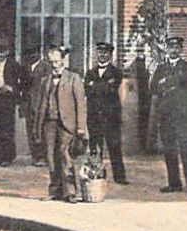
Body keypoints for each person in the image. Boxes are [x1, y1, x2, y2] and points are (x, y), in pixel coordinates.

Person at [34, 45, 90, 202]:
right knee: (51, 157)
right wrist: (37, 127)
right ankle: (54, 190)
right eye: (51, 62)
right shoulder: (46, 80)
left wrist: (81, 127)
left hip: (67, 124)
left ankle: (70, 192)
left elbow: (81, 104)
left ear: (64, 61)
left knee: (65, 156)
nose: (54, 65)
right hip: (49, 124)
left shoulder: (74, 78)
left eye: (56, 61)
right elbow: (41, 106)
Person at [151, 36, 187, 193]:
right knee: (169, 150)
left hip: (182, 115)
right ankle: (174, 183)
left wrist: (165, 82)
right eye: (171, 47)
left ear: (181, 50)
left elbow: (183, 80)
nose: (173, 50)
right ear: (167, 49)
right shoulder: (161, 68)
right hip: (166, 115)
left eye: (177, 47)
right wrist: (168, 82)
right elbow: (153, 87)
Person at [85, 40, 128, 185]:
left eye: (105, 53)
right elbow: (87, 91)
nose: (102, 55)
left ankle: (120, 177)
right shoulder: (90, 73)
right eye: (99, 52)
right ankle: (97, 175)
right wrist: (101, 87)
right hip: (94, 117)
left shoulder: (116, 72)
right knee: (95, 148)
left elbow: (110, 89)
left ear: (110, 55)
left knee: (114, 147)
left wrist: (95, 86)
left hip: (111, 118)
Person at [25, 47, 54, 167]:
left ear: (38, 53)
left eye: (34, 53)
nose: (32, 56)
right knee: (30, 129)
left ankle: (44, 156)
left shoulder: (45, 66)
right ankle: (35, 155)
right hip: (28, 103)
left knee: (41, 130)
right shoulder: (26, 67)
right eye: (29, 53)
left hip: (40, 102)